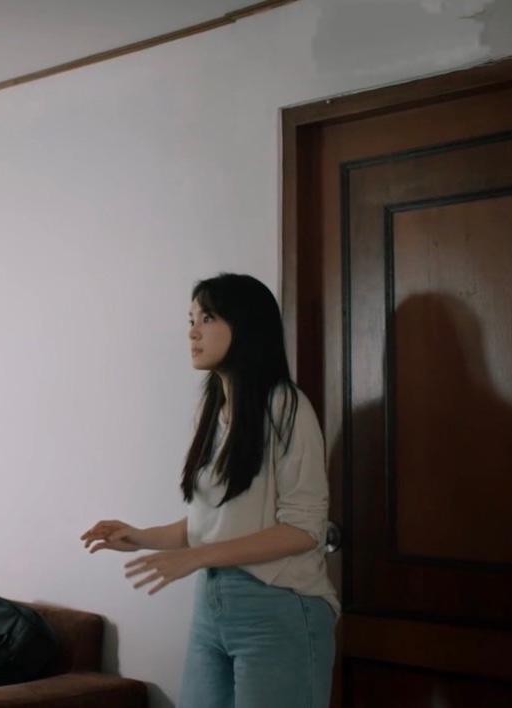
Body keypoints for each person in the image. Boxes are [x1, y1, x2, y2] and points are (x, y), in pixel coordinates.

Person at [81, 273, 338, 708]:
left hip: (278, 605)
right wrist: (139, 536)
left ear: (246, 325)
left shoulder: (286, 406)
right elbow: (212, 524)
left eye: (207, 318)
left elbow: (303, 529)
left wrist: (197, 557)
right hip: (213, 606)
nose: (192, 332)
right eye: (191, 320)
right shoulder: (212, 410)